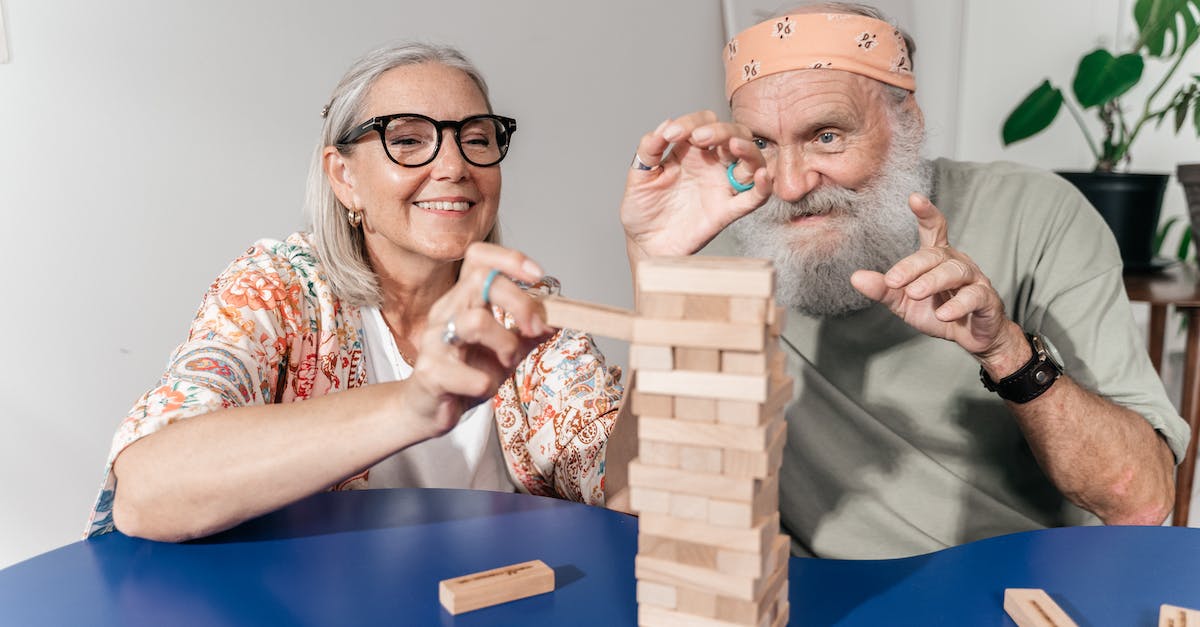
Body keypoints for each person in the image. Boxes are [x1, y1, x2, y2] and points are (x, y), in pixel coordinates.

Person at [618, 2, 1190, 558]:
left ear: (907, 122)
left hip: (1011, 581)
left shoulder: (1038, 214)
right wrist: (653, 266)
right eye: (763, 143)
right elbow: (633, 504)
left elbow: (1141, 501)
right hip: (814, 592)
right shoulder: (730, 239)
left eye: (826, 136)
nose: (790, 186)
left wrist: (1005, 351)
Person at [86, 42, 623, 541]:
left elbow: (625, 488)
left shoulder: (521, 311)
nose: (455, 166)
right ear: (343, 176)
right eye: (408, 140)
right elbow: (148, 493)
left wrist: (655, 262)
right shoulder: (278, 291)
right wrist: (412, 405)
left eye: (477, 139)